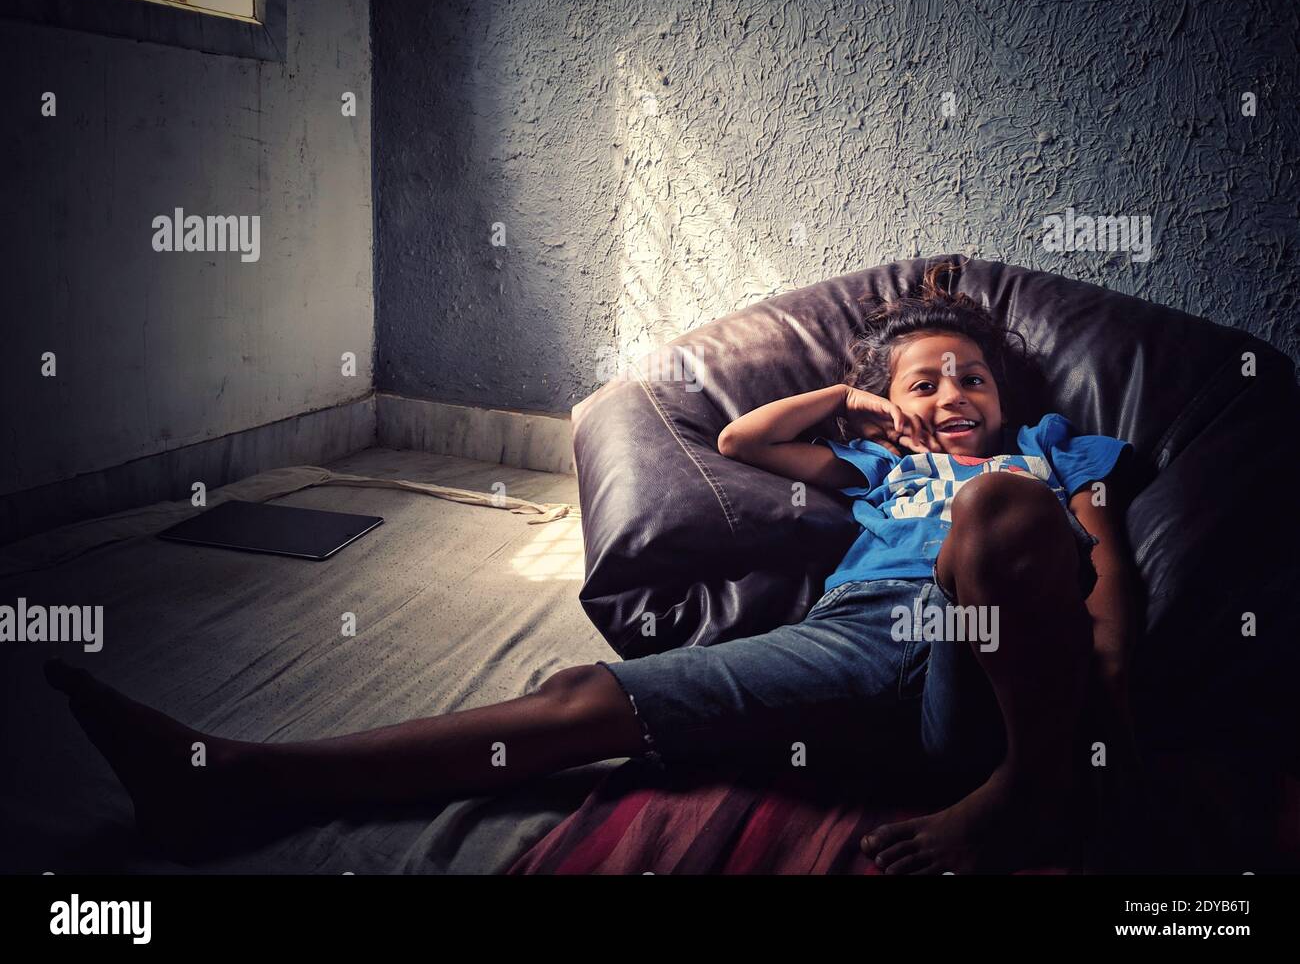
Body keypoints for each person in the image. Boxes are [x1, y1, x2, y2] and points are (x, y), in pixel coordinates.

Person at [47, 264, 1149, 872]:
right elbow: (741, 444)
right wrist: (853, 400)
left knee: (998, 512)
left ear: (1008, 396)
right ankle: (235, 779)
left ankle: (1023, 799)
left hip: (994, 682)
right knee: (578, 699)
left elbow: (1106, 571)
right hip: (856, 635)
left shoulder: (1052, 457)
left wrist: (1107, 690)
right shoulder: (864, 461)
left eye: (970, 379)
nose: (951, 397)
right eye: (924, 383)